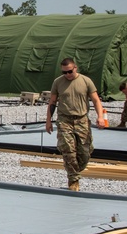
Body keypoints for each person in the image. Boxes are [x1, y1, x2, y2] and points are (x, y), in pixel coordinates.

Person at [45, 58, 107, 191]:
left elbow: (96, 100)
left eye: (69, 71)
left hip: (82, 120)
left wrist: (100, 117)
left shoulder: (86, 81)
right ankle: (73, 179)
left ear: (75, 68)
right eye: (64, 72)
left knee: (84, 153)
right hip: (64, 120)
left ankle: (74, 170)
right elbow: (52, 102)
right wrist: (48, 121)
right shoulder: (58, 82)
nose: (67, 75)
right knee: (68, 151)